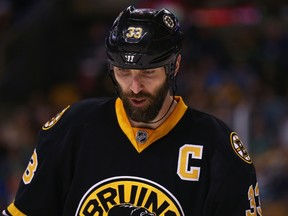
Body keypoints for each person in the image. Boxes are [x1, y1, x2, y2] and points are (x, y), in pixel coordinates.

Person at [3, 5, 262, 216]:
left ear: (175, 66)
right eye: (124, 73)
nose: (135, 87)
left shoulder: (217, 146)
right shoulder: (72, 129)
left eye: (148, 72)